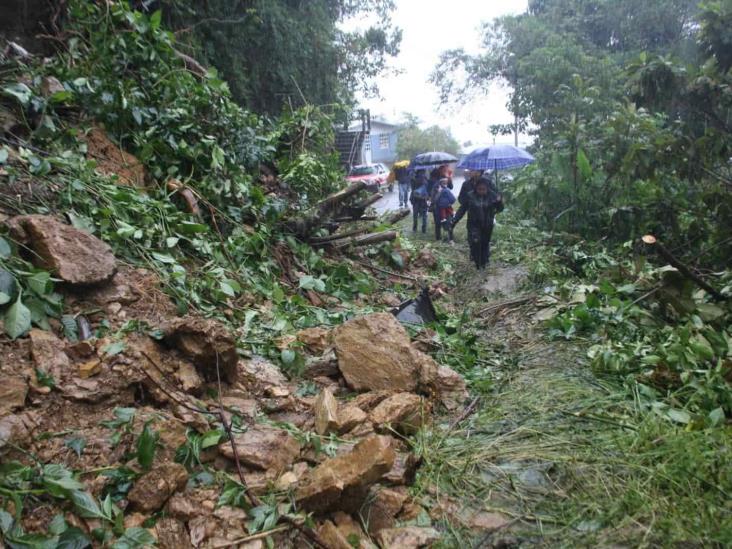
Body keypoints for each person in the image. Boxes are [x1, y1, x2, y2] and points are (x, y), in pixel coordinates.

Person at [452, 176, 504, 269]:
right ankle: (478, 264)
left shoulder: (493, 196)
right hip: (473, 225)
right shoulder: (470, 196)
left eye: (484, 189)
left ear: (487, 188)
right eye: (479, 189)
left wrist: (499, 202)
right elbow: (462, 209)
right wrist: (454, 220)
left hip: (487, 225)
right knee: (475, 243)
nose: (481, 191)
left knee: (485, 244)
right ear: (476, 188)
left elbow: (500, 209)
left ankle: (483, 264)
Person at [434, 178, 456, 242]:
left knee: (439, 224)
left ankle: (439, 239)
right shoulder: (444, 190)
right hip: (444, 210)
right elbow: (453, 199)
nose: (445, 184)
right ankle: (450, 239)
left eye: (445, 183)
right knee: (448, 225)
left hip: (440, 210)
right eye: (444, 183)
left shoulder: (441, 190)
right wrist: (448, 204)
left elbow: (435, 200)